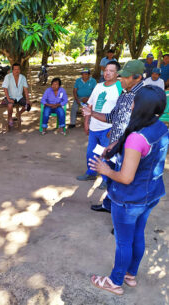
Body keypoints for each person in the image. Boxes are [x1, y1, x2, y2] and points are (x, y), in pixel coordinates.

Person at [89, 86, 168, 296]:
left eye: (134, 101)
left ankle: (114, 281)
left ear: (140, 106)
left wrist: (104, 169)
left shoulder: (137, 138)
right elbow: (140, 152)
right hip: (151, 194)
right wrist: (117, 146)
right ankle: (130, 274)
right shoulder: (160, 127)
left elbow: (125, 177)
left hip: (129, 199)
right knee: (137, 235)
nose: (131, 104)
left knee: (123, 241)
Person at [83, 59, 145, 212]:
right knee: (113, 176)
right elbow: (112, 117)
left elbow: (138, 127)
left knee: (125, 181)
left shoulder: (142, 96)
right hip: (115, 144)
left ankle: (122, 217)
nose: (121, 79)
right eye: (121, 76)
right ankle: (108, 204)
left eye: (125, 76)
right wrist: (91, 114)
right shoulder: (125, 94)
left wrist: (118, 141)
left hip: (129, 147)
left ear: (137, 77)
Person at [77, 62, 122, 189]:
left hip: (108, 128)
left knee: (106, 155)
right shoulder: (98, 86)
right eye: (106, 70)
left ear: (117, 73)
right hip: (94, 127)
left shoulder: (120, 87)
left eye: (111, 71)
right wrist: (86, 122)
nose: (107, 73)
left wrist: (114, 128)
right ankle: (91, 173)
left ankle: (106, 179)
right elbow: (89, 105)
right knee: (91, 153)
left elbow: (121, 111)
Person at [2, 63, 31, 128]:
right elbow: (5, 88)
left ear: (20, 70)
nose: (16, 71)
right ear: (12, 70)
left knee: (28, 106)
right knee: (10, 105)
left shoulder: (23, 77)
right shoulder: (8, 77)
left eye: (18, 69)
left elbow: (25, 89)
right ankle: (10, 118)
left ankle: (19, 114)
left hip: (19, 97)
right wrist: (8, 98)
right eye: (15, 69)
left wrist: (27, 99)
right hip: (10, 96)